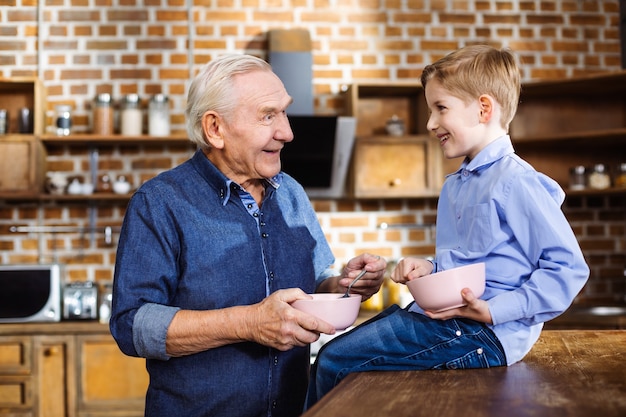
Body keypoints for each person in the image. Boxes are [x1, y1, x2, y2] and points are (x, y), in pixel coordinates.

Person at [304, 45, 590, 407]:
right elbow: (472, 261)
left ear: (484, 109)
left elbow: (567, 270)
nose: (430, 124)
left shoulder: (516, 182)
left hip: (483, 333)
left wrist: (494, 311)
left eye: (441, 108)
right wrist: (430, 266)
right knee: (337, 355)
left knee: (334, 360)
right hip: (452, 322)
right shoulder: (456, 184)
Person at [109, 54, 386, 417]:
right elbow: (132, 326)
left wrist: (344, 286)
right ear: (215, 129)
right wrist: (249, 323)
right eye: (268, 116)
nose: (287, 133)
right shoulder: (160, 203)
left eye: (284, 113)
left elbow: (313, 285)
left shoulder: (291, 193)